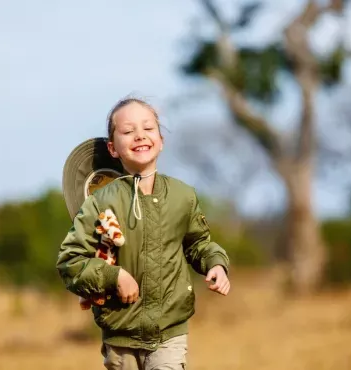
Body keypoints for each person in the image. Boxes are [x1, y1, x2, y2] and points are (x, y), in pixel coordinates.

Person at [56, 97, 231, 370]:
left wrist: (216, 263)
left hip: (169, 332)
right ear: (113, 148)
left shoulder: (182, 196)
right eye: (128, 131)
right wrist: (115, 277)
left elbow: (198, 244)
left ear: (161, 140)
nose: (139, 135)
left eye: (148, 128)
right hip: (120, 332)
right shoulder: (100, 202)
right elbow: (71, 261)